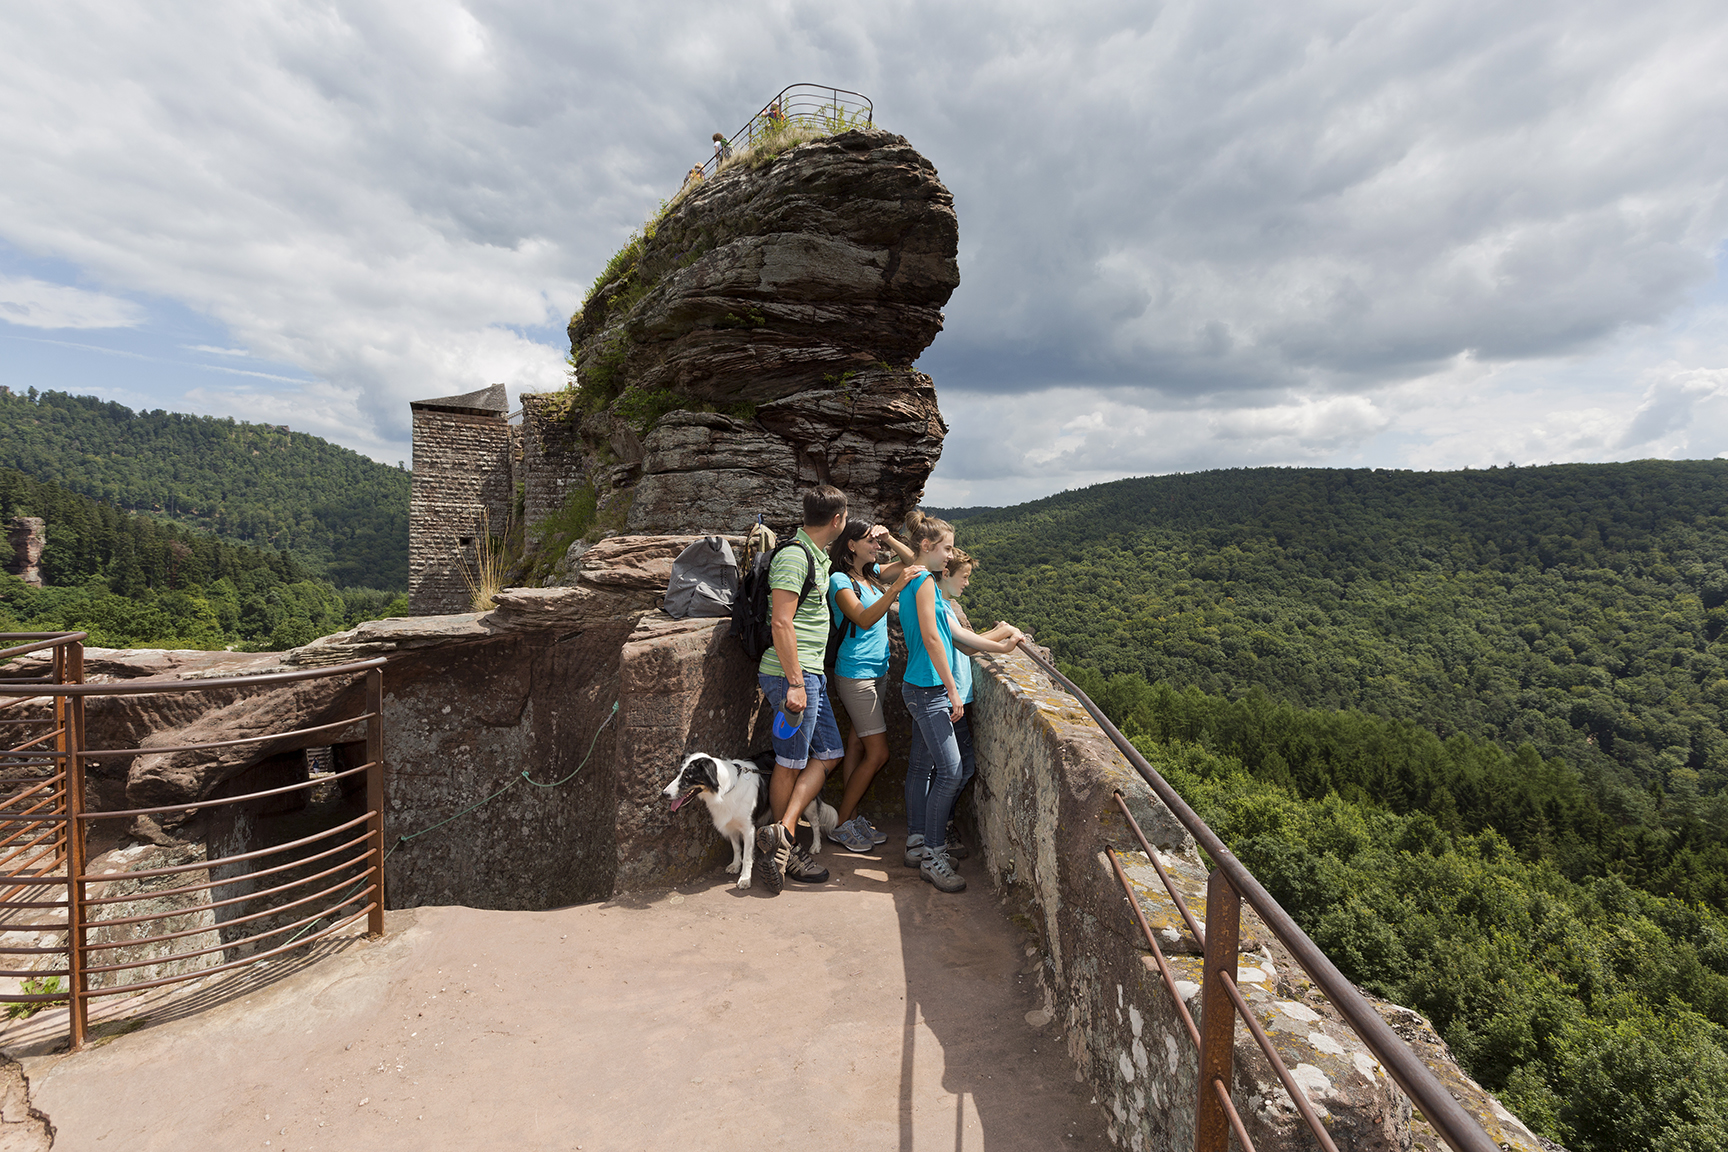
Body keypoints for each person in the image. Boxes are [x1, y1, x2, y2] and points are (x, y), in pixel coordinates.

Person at [897, 511, 1021, 893]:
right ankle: (933, 856)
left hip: (919, 685)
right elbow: (934, 639)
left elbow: (955, 636)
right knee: (951, 772)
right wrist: (952, 688)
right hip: (929, 688)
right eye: (947, 548)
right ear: (926, 546)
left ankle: (917, 844)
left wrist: (1001, 645)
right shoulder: (922, 582)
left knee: (922, 766)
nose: (950, 556)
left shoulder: (920, 581)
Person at [754, 485, 850, 895]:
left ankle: (783, 830)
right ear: (837, 520)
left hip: (810, 675)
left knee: (830, 752)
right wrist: (795, 682)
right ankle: (785, 849)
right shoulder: (795, 557)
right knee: (790, 760)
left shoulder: (817, 556)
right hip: (791, 676)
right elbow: (781, 622)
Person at [824, 521, 923, 853]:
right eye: (870, 541)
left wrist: (889, 537)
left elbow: (914, 561)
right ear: (851, 545)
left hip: (878, 672)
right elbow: (863, 618)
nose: (876, 547)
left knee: (857, 745)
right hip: (856, 676)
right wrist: (895, 590)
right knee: (879, 753)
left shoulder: (872, 575)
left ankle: (851, 818)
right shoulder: (840, 581)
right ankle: (840, 823)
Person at [936, 548, 1022, 858]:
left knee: (957, 768)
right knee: (956, 770)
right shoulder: (940, 606)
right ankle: (939, 830)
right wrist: (1005, 641)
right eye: (965, 577)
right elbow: (967, 644)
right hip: (950, 697)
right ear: (946, 574)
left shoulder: (943, 603)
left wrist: (999, 632)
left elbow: (964, 643)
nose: (967, 583)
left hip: (956, 696)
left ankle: (939, 827)